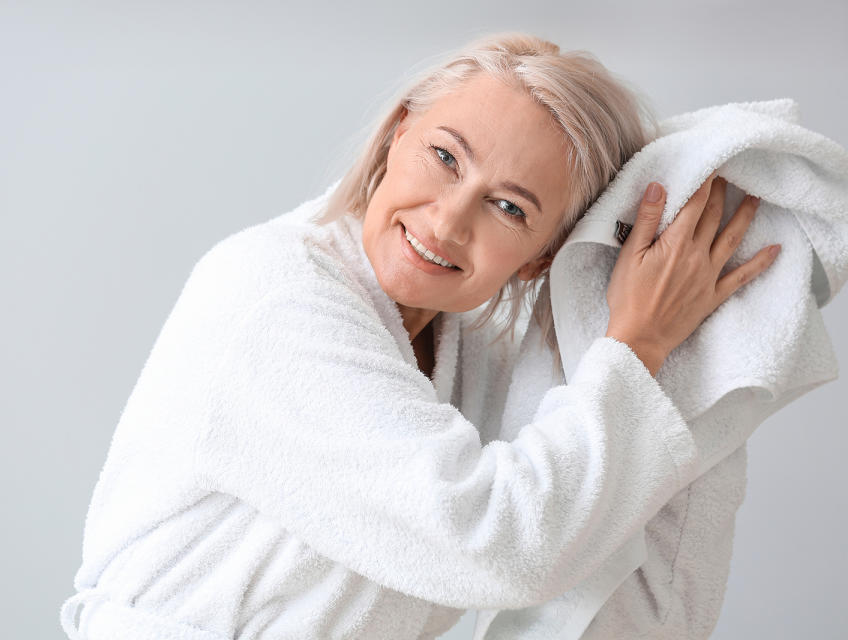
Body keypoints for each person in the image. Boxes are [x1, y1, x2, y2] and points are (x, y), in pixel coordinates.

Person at [60, 32, 779, 639]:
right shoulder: (271, 292)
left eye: (507, 206)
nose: (445, 221)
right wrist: (636, 348)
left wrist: (689, 349)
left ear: (539, 259)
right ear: (400, 131)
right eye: (444, 157)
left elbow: (598, 517)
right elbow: (501, 546)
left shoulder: (468, 349)